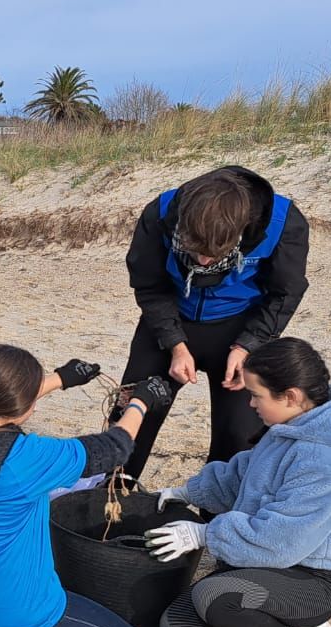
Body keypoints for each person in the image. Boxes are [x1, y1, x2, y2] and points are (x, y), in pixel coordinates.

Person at [0, 344, 177, 627]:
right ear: (25, 404)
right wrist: (141, 401)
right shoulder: (28, 457)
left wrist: (61, 379)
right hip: (12, 609)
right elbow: (114, 448)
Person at [152, 338, 331, 627]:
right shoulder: (291, 429)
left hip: (311, 580)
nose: (250, 403)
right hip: (270, 566)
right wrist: (187, 492)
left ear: (290, 396)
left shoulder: (328, 464)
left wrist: (203, 534)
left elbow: (280, 541)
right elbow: (244, 474)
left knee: (214, 598)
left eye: (256, 395)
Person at [120, 165, 310, 479]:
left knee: (238, 438)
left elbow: (284, 294)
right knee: (129, 417)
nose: (204, 262)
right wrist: (175, 345)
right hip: (170, 320)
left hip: (241, 326)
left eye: (215, 253)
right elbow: (150, 285)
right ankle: (106, 510)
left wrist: (248, 344)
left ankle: (213, 521)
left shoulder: (283, 223)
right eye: (194, 251)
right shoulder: (160, 214)